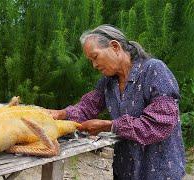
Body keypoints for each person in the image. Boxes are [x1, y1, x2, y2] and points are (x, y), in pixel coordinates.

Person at [48, 24, 186, 179]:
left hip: (158, 170)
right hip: (124, 169)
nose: (94, 65)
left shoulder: (154, 70)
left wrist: (110, 125)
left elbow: (160, 123)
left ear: (115, 46)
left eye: (95, 57)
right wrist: (61, 113)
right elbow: (87, 108)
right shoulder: (108, 81)